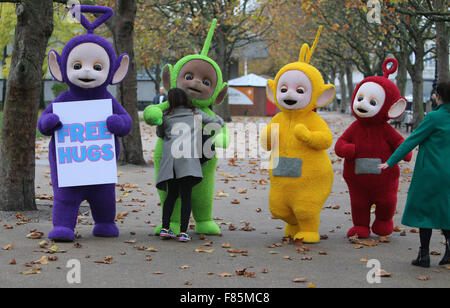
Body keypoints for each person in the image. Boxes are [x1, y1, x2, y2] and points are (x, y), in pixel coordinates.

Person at [379, 81, 450, 268]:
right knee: (446, 211)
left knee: (424, 213)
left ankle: (424, 255)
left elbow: (412, 140)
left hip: (430, 173)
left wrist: (391, 161)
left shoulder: (434, 118)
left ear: (439, 95)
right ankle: (449, 252)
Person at [155, 88, 225, 242]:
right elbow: (216, 123)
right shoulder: (195, 113)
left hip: (171, 162)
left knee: (171, 195)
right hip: (188, 161)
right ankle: (183, 232)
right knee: (186, 196)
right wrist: (219, 119)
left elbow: (160, 134)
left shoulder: (165, 115)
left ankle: (165, 228)